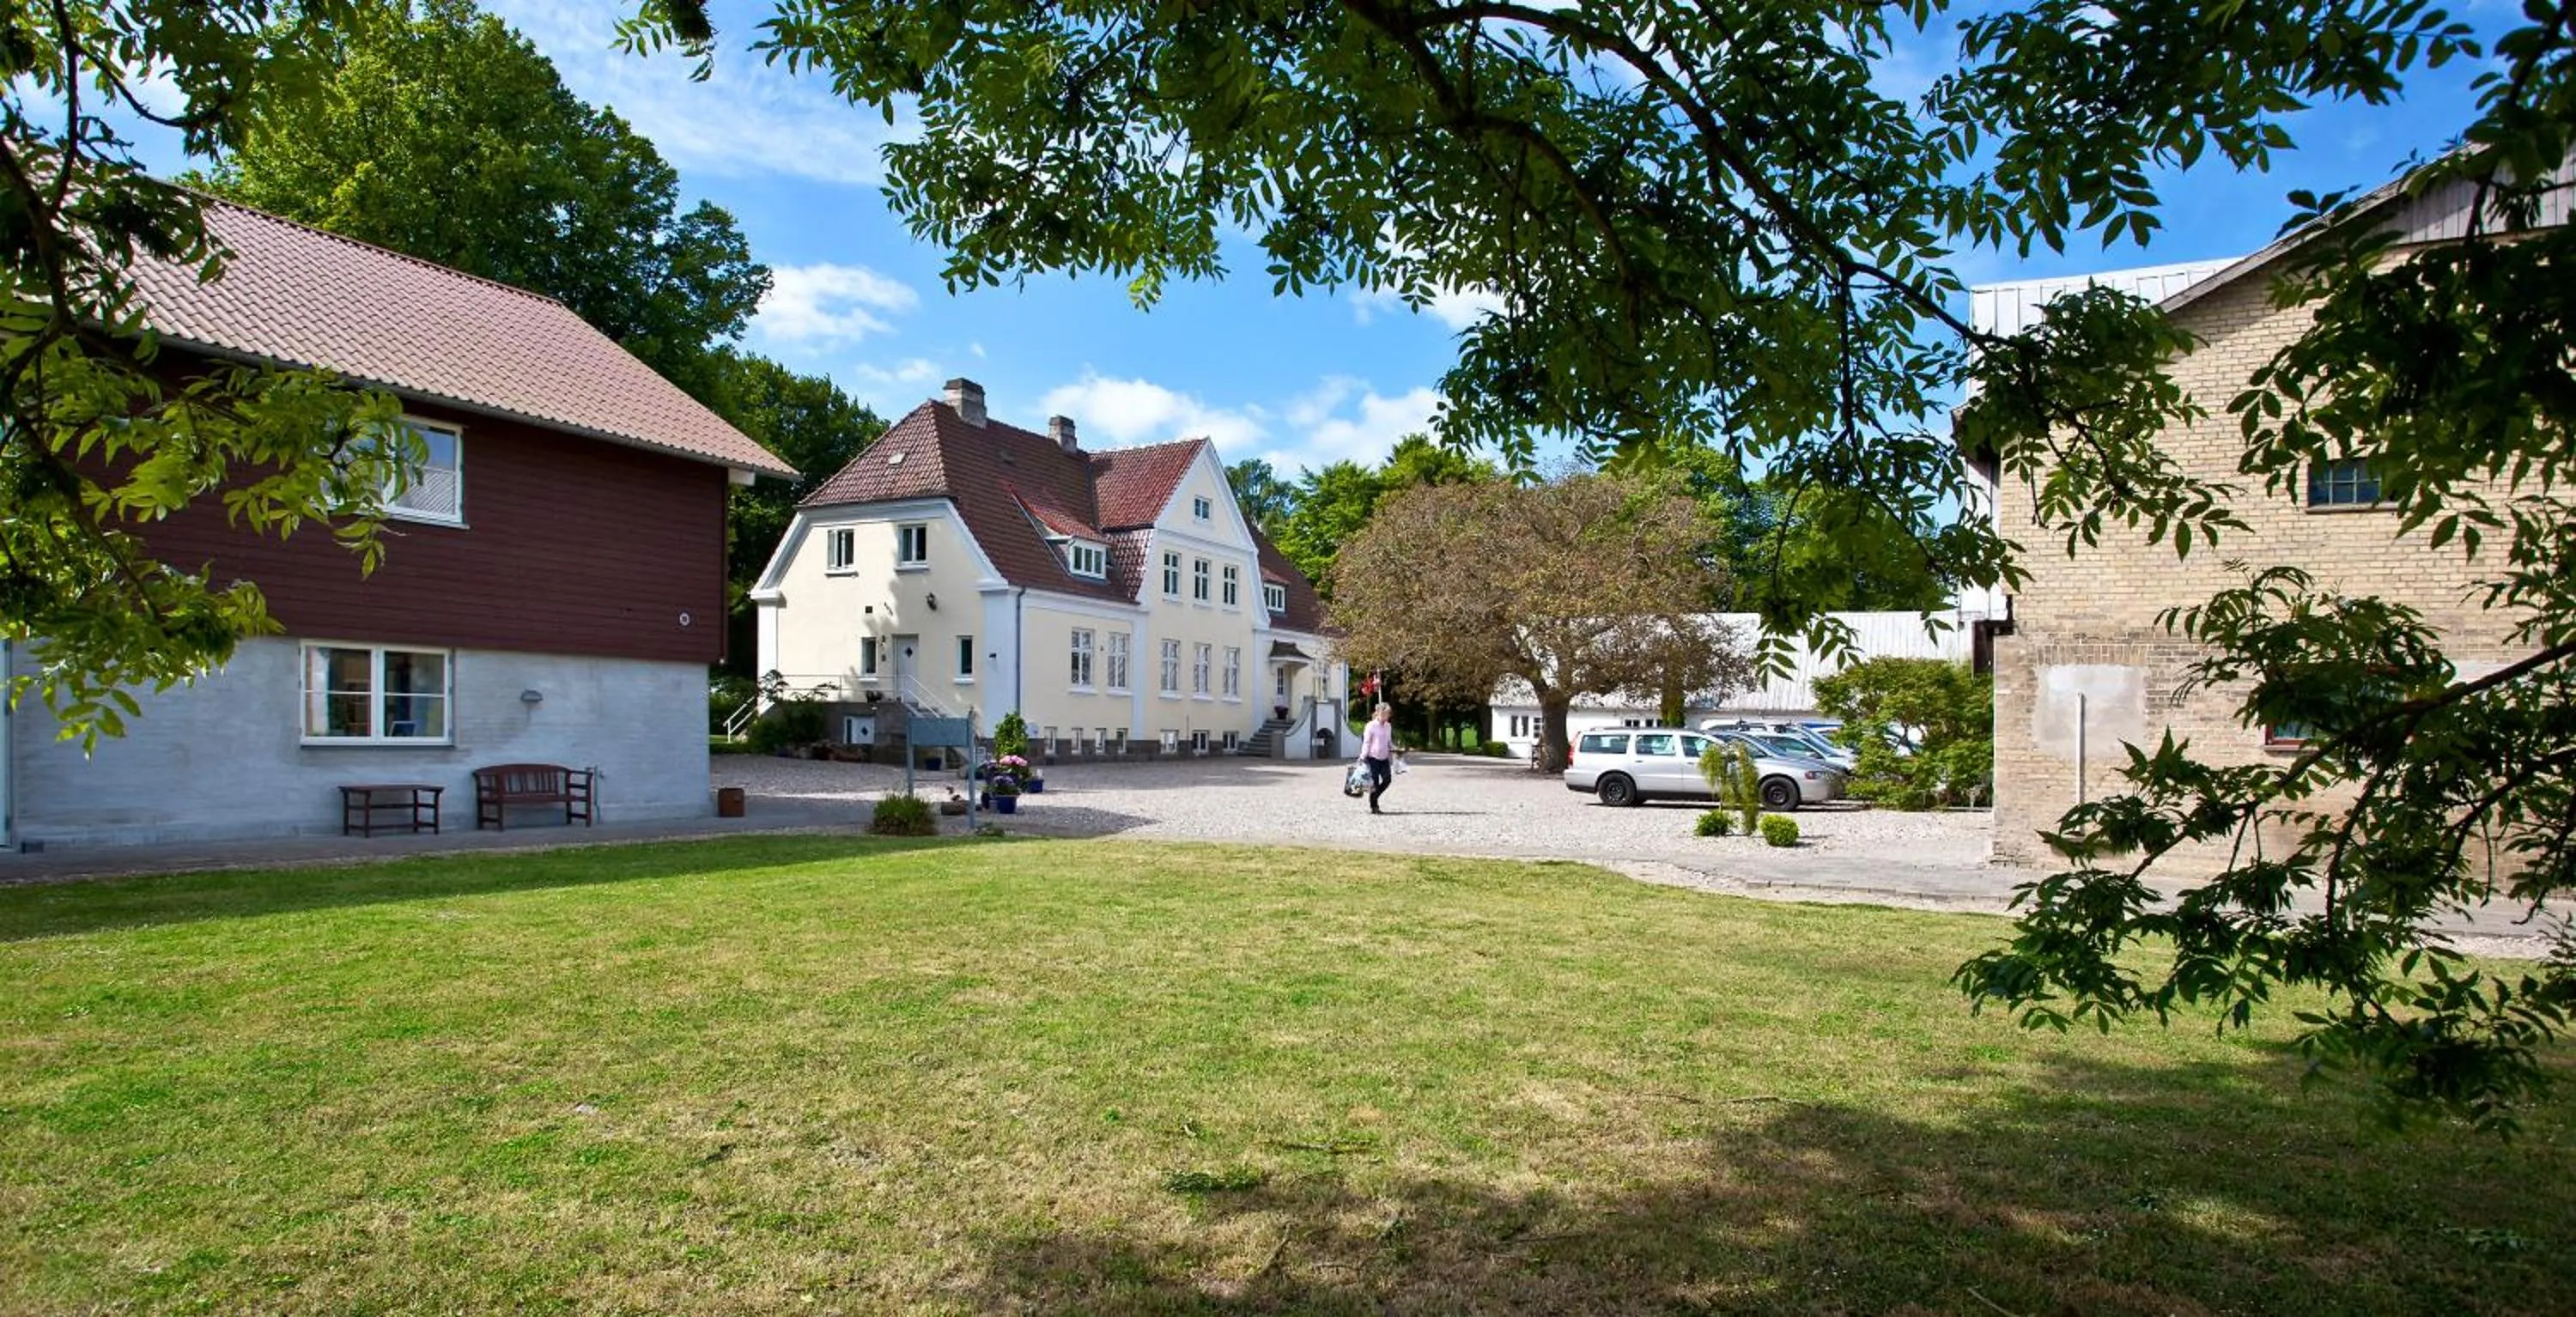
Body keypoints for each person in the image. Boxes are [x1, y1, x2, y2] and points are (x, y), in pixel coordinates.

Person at [1358, 703, 1397, 814]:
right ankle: (1374, 806)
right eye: (1386, 713)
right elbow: (1367, 742)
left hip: (1384, 757)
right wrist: (1363, 756)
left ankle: (1374, 797)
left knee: (1387, 780)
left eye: (1389, 714)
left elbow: (1389, 741)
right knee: (1374, 784)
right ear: (1380, 713)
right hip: (1373, 758)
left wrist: (1395, 749)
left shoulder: (1388, 726)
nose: (1388, 716)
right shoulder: (1371, 725)